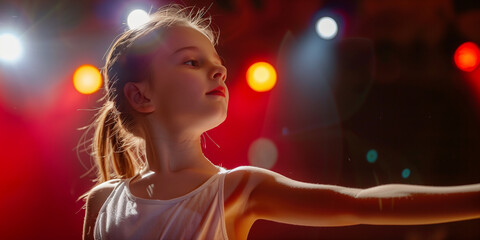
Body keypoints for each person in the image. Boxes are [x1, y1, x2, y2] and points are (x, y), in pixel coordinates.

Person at [81, 4, 480, 240]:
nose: (219, 72)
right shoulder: (103, 202)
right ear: (141, 95)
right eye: (192, 61)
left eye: (218, 64)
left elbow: (361, 203)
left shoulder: (238, 189)